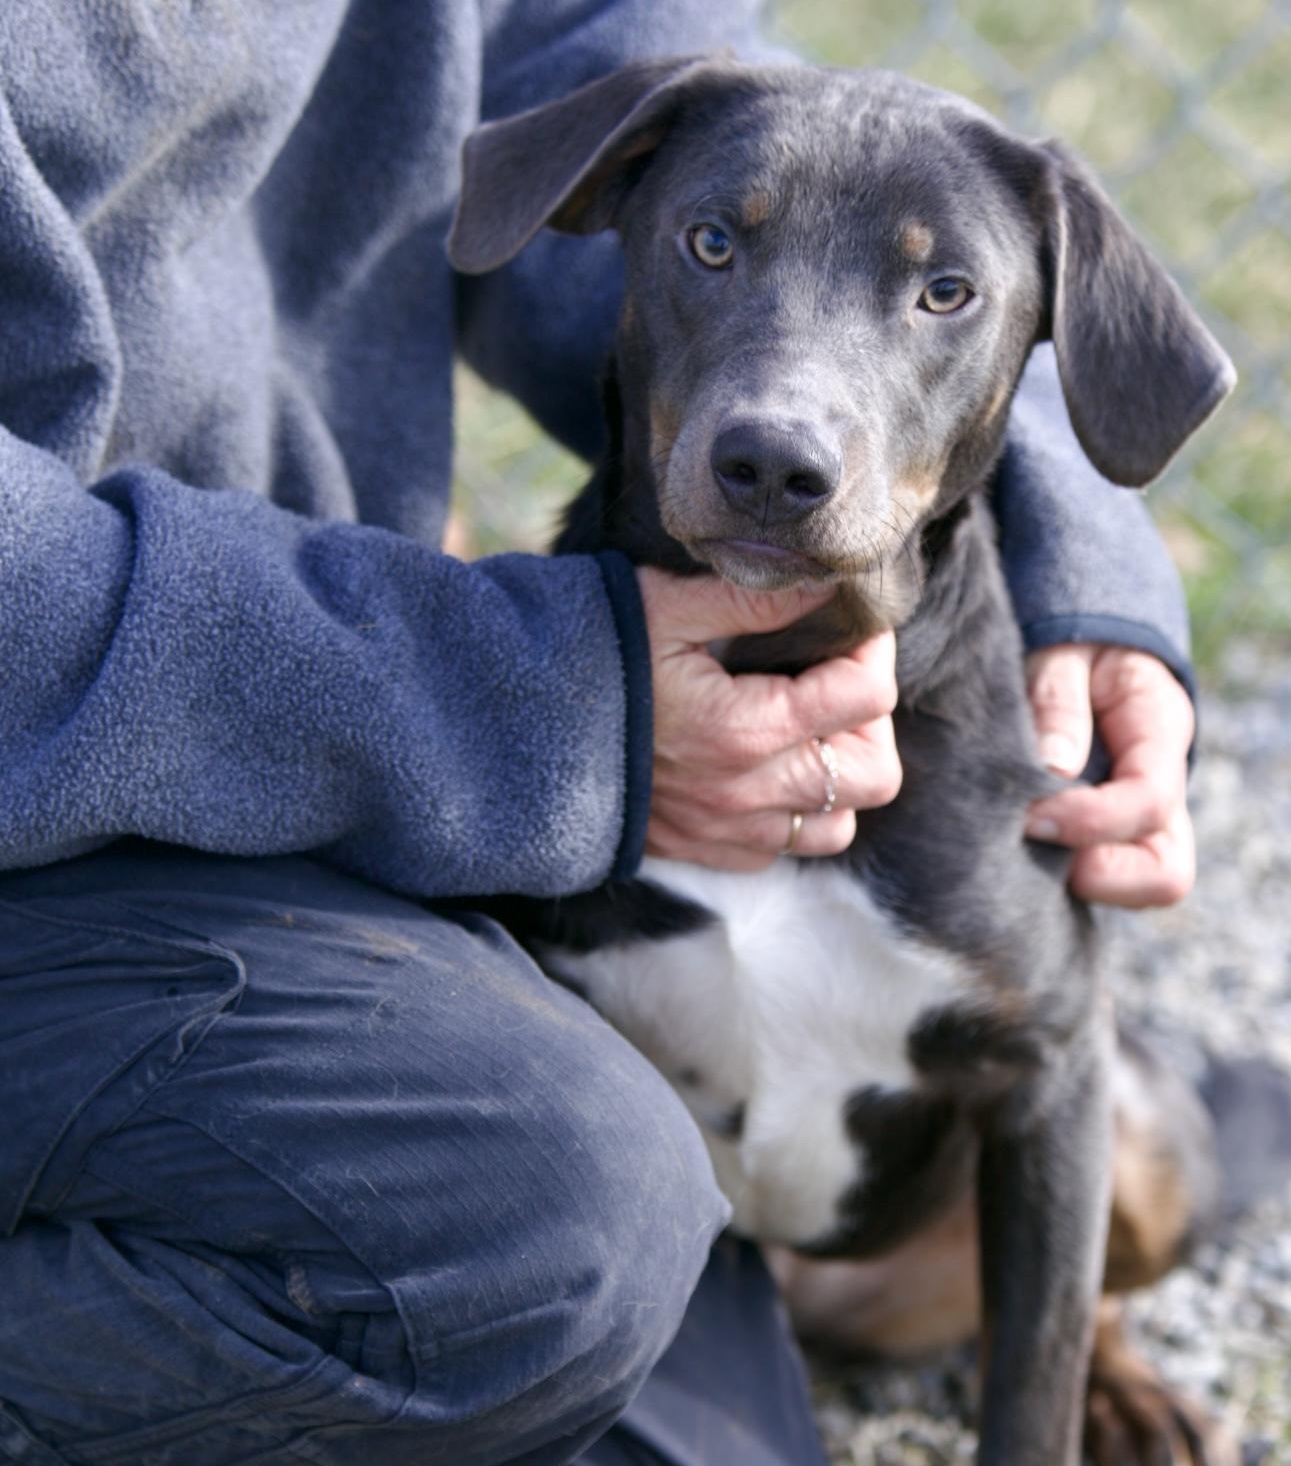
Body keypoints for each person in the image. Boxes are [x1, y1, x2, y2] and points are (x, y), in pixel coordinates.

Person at [0, 3, 1196, 1464]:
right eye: (715, 248)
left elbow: (647, 89)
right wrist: (525, 700)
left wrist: (1080, 550)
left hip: (289, 765)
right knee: (549, 1225)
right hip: (62, 779)